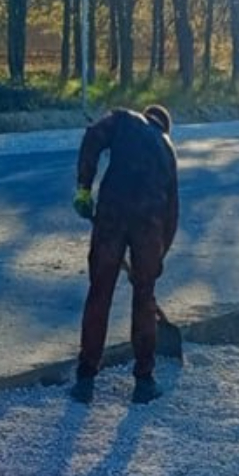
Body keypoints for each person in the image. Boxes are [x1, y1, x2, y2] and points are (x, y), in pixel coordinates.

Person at [71, 104, 179, 405]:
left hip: (112, 214)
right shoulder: (168, 149)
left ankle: (86, 378)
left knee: (99, 292)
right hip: (149, 224)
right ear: (163, 125)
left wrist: (84, 187)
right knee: (144, 298)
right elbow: (172, 213)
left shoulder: (123, 120)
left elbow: (92, 136)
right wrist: (157, 259)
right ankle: (144, 381)